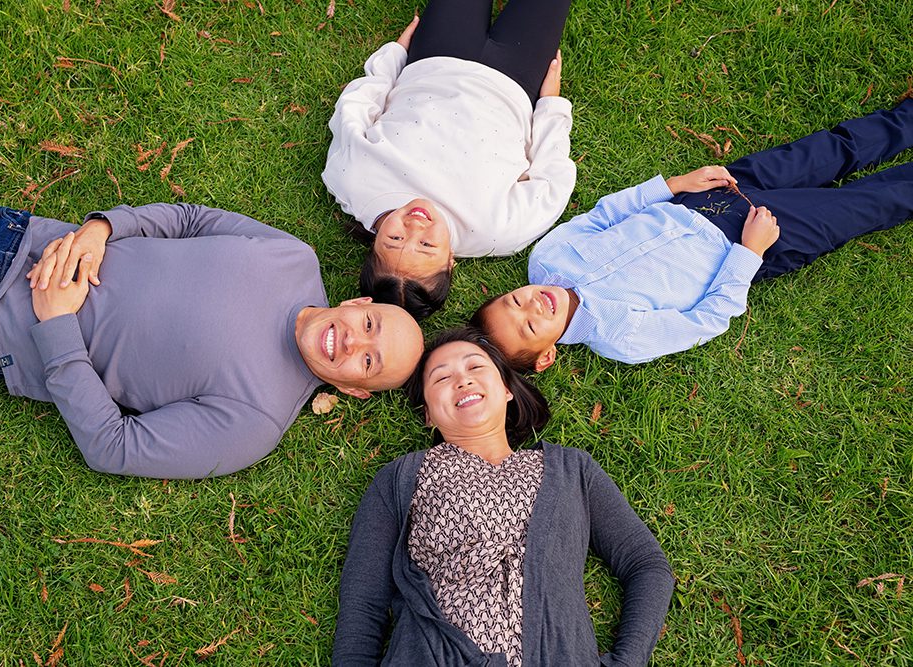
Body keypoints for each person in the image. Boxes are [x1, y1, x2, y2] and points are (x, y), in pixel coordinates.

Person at [0, 203, 424, 479]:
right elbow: (190, 220)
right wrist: (102, 228)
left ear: (358, 390)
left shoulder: (255, 423)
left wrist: (56, 325)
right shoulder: (294, 257)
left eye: (369, 364)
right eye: (371, 327)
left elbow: (113, 447)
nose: (354, 343)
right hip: (16, 231)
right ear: (360, 305)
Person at [471, 100, 913, 368]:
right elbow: (708, 319)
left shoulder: (548, 259)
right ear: (546, 355)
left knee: (826, 150)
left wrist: (674, 185)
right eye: (530, 326)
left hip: (704, 196)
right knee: (867, 204)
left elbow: (606, 214)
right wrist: (750, 251)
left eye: (514, 300)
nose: (533, 304)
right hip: (750, 237)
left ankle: (904, 119)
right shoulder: (619, 337)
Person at [333, 328, 673, 666]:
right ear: (428, 414)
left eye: (476, 367)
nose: (462, 381)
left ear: (507, 389)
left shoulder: (573, 472)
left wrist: (628, 661)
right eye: (441, 378)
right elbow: (363, 600)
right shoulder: (400, 478)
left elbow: (646, 564)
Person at [322, 0, 578, 320]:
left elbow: (356, 108)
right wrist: (550, 105)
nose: (416, 225)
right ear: (450, 260)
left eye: (395, 238)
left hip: (437, 54)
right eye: (427, 246)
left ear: (374, 244)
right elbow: (553, 181)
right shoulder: (495, 231)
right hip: (518, 80)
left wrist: (395, 55)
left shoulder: (351, 181)